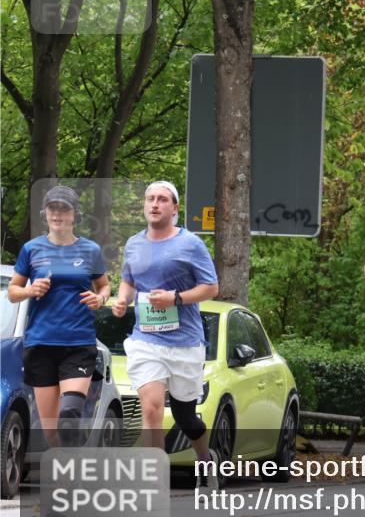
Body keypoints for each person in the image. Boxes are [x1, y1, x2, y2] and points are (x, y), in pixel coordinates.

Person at [111, 181, 220, 487]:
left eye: (162, 199)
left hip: (185, 342)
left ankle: (204, 457)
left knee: (186, 417)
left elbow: (211, 287)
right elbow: (128, 281)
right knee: (152, 408)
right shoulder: (133, 244)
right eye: (150, 199)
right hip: (146, 340)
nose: (155, 204)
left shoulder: (190, 244)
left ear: (175, 208)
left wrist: (176, 299)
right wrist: (122, 300)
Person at [8, 185, 111, 446]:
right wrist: (30, 289)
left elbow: (105, 286)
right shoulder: (32, 249)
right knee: (51, 429)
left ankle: (74, 467)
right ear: (45, 213)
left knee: (69, 415)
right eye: (53, 208)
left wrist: (99, 299)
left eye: (64, 209)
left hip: (77, 342)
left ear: (75, 214)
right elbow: (12, 292)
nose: (58, 214)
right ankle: (69, 474)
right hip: (41, 343)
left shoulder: (90, 250)